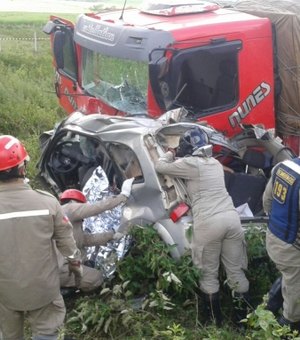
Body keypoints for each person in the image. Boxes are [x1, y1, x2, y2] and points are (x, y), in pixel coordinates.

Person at [154, 126, 249, 326]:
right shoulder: (214, 163)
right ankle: (241, 323)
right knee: (236, 272)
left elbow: (159, 167)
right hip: (232, 219)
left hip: (209, 223)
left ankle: (214, 325)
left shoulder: (190, 163)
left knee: (208, 274)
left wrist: (170, 154)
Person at [0, 135, 82, 340]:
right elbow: (67, 243)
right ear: (22, 168)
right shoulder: (47, 203)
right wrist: (75, 264)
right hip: (43, 290)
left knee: (9, 333)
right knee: (47, 331)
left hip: (5, 292)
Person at [58, 177, 134, 293]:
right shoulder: (70, 208)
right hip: (60, 268)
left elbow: (85, 240)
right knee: (97, 278)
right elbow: (97, 207)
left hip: (55, 267)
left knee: (87, 267)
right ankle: (68, 290)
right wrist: (122, 196)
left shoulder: (66, 218)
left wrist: (112, 235)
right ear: (76, 202)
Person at [263, 157, 300, 331]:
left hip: (274, 237)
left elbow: (267, 202)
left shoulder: (283, 166)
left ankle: (267, 310)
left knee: (289, 274)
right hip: (291, 246)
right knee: (295, 304)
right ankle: (286, 329)